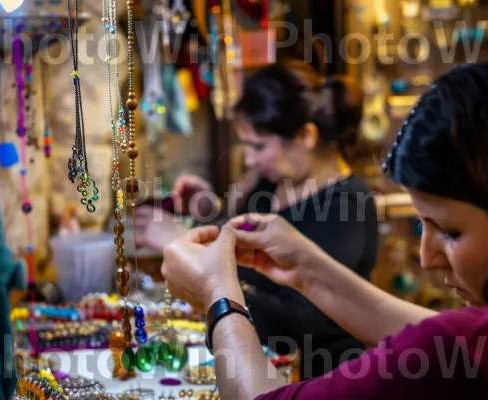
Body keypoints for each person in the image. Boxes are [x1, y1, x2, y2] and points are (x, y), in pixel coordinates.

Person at [160, 61, 488, 399]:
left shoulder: (476, 351)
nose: (426, 258)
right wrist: (310, 271)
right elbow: (433, 333)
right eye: (423, 226)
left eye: (449, 232)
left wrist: (219, 297)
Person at [135, 61, 379, 378]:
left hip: (318, 382)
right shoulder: (273, 182)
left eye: (258, 146)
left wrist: (182, 245)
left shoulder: (347, 207)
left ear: (306, 135)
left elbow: (290, 328)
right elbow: (243, 253)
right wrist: (209, 210)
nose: (249, 158)